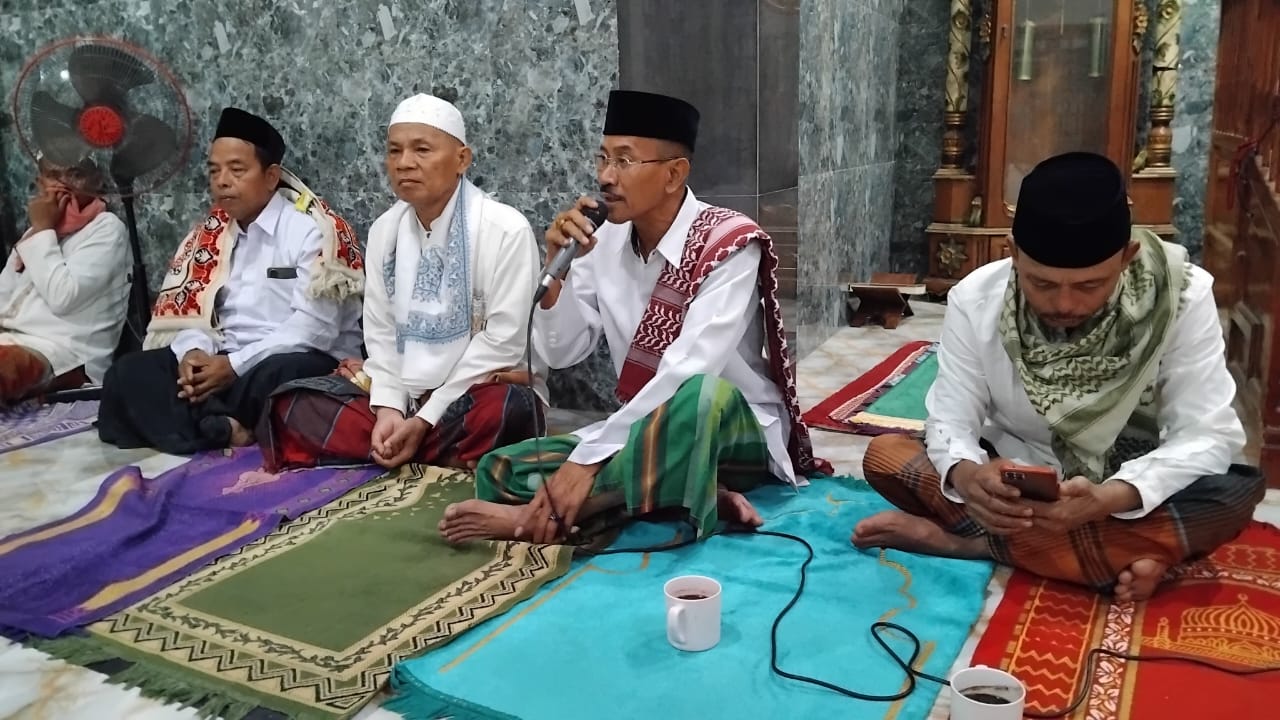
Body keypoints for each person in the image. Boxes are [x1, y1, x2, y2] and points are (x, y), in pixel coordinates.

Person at [851, 152, 1264, 602]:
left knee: (1231, 496)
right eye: (1042, 284)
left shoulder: (1182, 297)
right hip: (1019, 490)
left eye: (1089, 285)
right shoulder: (976, 297)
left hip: (1127, 492)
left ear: (1127, 257)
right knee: (885, 456)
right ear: (1012, 253)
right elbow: (950, 421)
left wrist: (1108, 498)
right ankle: (1112, 556)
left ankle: (966, 545)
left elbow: (1206, 436)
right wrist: (971, 477)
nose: (1064, 305)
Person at [439, 90, 829, 546]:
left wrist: (587, 461)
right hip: (643, 435)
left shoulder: (730, 245)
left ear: (673, 174)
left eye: (624, 161)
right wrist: (554, 271)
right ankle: (687, 493)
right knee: (501, 469)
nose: (606, 176)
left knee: (701, 396)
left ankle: (542, 518)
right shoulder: (601, 240)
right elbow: (564, 351)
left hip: (731, 430)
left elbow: (689, 370)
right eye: (603, 158)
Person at [256, 93, 545, 472]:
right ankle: (426, 450)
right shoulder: (384, 231)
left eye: (422, 149)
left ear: (462, 159)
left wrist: (427, 417)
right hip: (402, 397)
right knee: (290, 404)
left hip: (470, 397)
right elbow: (380, 334)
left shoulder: (505, 230)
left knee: (510, 408)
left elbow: (503, 343)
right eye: (394, 151)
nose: (404, 163)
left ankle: (406, 447)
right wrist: (389, 409)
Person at [97, 107, 364, 454]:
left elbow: (314, 331)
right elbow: (202, 315)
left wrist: (234, 367)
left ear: (271, 176)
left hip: (286, 359)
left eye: (237, 170)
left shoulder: (311, 231)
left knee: (286, 378)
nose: (222, 181)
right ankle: (224, 425)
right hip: (225, 360)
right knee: (126, 374)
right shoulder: (211, 237)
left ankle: (203, 419)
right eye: (214, 171)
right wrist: (195, 353)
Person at [0, 157, 129, 405]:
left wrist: (44, 229)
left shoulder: (107, 228)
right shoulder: (35, 232)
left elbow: (63, 297)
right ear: (40, 183)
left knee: (7, 363)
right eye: (53, 176)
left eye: (75, 174)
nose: (63, 185)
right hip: (10, 341)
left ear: (96, 180)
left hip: (65, 356)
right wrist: (42, 231)